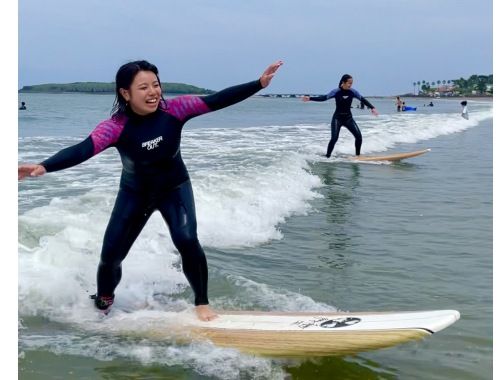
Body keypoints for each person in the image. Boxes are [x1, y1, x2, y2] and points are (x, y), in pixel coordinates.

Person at [18, 59, 284, 321]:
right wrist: (45, 166)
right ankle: (104, 301)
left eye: (155, 85)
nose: (153, 92)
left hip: (174, 188)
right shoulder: (116, 127)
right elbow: (83, 149)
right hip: (135, 195)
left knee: (187, 239)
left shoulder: (175, 110)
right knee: (110, 258)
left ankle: (202, 302)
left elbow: (218, 99)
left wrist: (259, 84)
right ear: (126, 93)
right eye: (143, 87)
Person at [302, 74, 378, 157]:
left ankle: (358, 156)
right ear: (343, 82)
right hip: (337, 119)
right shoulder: (336, 91)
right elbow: (324, 98)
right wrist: (310, 98)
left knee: (359, 137)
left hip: (348, 118)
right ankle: (327, 156)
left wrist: (372, 108)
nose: (350, 85)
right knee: (334, 138)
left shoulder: (353, 92)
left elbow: (362, 99)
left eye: (351, 83)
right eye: (349, 83)